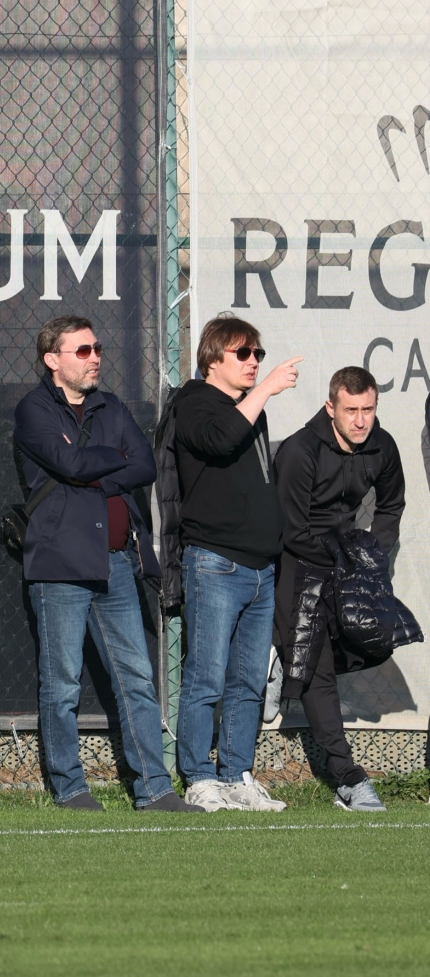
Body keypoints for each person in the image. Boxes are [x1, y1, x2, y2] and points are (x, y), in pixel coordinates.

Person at [14, 315, 199, 812]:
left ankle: (154, 789)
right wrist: (108, 459)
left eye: (96, 348)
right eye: (82, 350)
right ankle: (70, 788)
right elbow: (69, 465)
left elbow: (143, 465)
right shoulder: (34, 409)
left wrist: (94, 469)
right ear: (53, 360)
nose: (94, 357)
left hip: (116, 563)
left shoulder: (111, 406)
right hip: (60, 567)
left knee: (136, 678)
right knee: (62, 684)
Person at [171, 313, 300, 811]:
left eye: (257, 354)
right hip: (215, 563)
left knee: (248, 681)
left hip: (260, 568)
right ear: (212, 359)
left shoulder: (250, 409)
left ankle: (237, 774)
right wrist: (264, 389)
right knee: (206, 676)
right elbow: (218, 440)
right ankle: (199, 777)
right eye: (242, 353)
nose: (253, 362)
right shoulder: (193, 401)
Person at [274, 366, 404, 812]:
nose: (361, 420)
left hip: (347, 562)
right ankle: (350, 779)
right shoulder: (300, 450)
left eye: (368, 409)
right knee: (317, 671)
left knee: (378, 639)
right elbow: (292, 532)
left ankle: (286, 662)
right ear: (331, 407)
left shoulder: (381, 445)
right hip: (299, 563)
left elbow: (391, 504)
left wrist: (372, 552)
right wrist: (349, 558)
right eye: (351, 410)